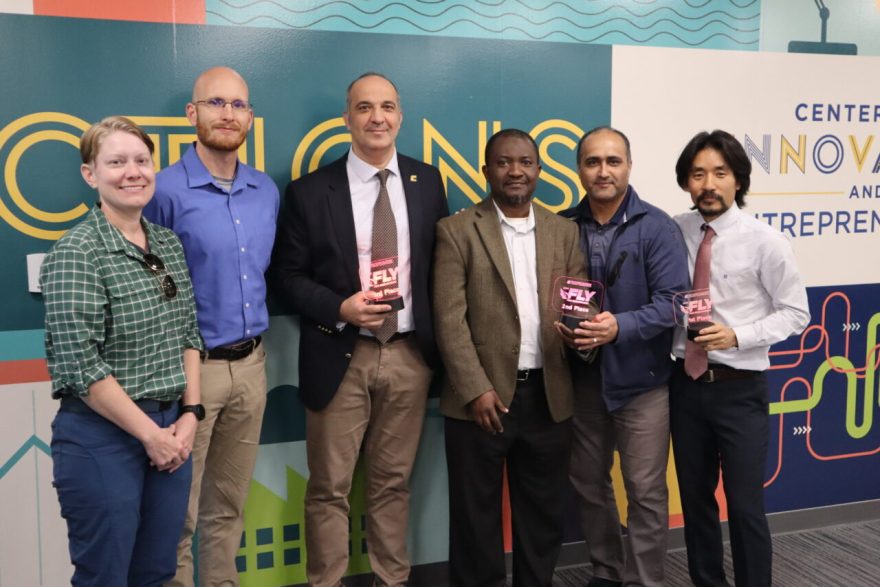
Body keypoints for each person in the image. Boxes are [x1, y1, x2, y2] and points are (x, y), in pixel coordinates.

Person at [271, 72, 448, 587]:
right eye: (365, 107)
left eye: (388, 107)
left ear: (400, 115)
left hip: (410, 355)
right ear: (347, 118)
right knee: (329, 488)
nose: (377, 117)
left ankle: (392, 580)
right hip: (339, 353)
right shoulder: (309, 192)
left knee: (393, 485)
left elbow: (440, 266)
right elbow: (285, 276)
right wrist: (339, 308)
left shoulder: (428, 181)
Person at [41, 116, 203, 587]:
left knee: (156, 573)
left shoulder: (168, 243)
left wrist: (190, 413)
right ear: (91, 174)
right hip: (103, 438)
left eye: (141, 160)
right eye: (116, 162)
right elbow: (81, 365)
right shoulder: (77, 251)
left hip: (172, 429)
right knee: (105, 577)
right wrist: (150, 436)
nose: (132, 172)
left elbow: (189, 334)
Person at [143, 66, 279, 587]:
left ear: (250, 116)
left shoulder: (264, 190)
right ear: (192, 113)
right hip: (187, 375)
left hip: (251, 367)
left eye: (239, 104)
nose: (228, 113)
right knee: (178, 513)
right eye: (216, 102)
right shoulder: (163, 191)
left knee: (229, 506)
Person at [433, 128, 585, 587]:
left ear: (539, 169)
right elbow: (448, 320)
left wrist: (587, 329)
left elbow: (579, 302)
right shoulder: (456, 230)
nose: (515, 170)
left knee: (542, 517)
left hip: (549, 395)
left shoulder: (564, 231)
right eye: (503, 162)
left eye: (525, 161)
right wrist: (476, 387)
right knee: (475, 520)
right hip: (479, 400)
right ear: (486, 171)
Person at [670, 130, 810, 587]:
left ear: (738, 180)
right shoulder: (675, 230)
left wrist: (737, 335)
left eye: (720, 173)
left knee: (745, 503)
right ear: (687, 182)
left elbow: (796, 313)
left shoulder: (766, 241)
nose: (708, 184)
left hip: (739, 389)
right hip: (684, 387)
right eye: (698, 174)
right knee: (694, 499)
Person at [557, 127, 689, 587]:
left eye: (613, 161)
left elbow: (675, 302)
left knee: (646, 492)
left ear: (629, 166)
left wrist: (619, 327)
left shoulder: (657, 227)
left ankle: (644, 581)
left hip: (642, 381)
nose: (603, 171)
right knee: (589, 486)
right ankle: (607, 573)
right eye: (593, 162)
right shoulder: (562, 226)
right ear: (579, 170)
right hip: (584, 381)